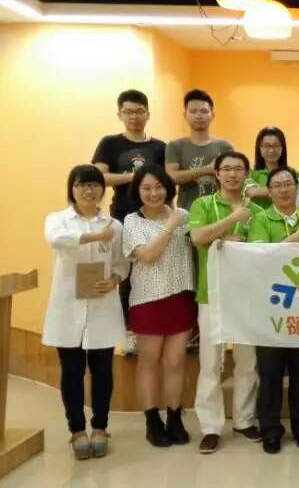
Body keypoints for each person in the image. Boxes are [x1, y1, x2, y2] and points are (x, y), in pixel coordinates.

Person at [42, 165, 127, 460]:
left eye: (94, 185)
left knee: (102, 370)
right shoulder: (58, 220)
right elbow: (56, 240)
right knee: (72, 370)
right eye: (81, 185)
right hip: (68, 306)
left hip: (102, 304)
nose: (88, 190)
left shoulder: (114, 225)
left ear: (102, 189)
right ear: (72, 189)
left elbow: (122, 262)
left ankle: (100, 427)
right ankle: (77, 430)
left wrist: (114, 280)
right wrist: (95, 237)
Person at [187, 151, 264, 454]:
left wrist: (233, 243)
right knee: (210, 362)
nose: (233, 174)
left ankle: (244, 420)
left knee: (248, 361)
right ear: (217, 174)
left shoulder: (257, 211)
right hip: (212, 295)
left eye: (238, 169)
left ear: (247, 174)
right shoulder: (203, 204)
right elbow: (198, 237)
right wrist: (232, 221)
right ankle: (210, 426)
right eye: (227, 169)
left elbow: (260, 251)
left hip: (247, 296)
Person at [122, 165, 196, 448]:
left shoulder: (184, 215)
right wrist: (169, 226)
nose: (153, 193)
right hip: (147, 300)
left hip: (181, 297)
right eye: (146, 188)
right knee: (149, 362)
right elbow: (148, 255)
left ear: (168, 188)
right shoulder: (132, 221)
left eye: (158, 187)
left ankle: (175, 417)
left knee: (176, 361)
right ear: (137, 191)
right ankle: (152, 422)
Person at [248, 167, 299, 454]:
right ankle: (270, 430)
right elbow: (259, 258)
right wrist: (296, 239)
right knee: (270, 372)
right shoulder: (260, 220)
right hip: (271, 307)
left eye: (288, 184)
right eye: (276, 185)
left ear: (296, 187)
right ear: (269, 191)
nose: (283, 189)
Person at [92, 89, 166, 354]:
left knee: (154, 272)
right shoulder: (110, 143)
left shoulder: (160, 147)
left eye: (139, 111)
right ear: (120, 114)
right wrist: (134, 178)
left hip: (154, 218)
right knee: (126, 273)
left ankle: (155, 328)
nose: (134, 116)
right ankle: (130, 332)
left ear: (148, 114)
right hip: (122, 215)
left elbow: (166, 182)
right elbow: (99, 177)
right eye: (129, 111)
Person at [166, 89, 234, 211]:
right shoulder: (175, 146)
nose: (198, 116)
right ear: (185, 115)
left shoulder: (225, 146)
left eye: (204, 111)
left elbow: (233, 178)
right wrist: (207, 169)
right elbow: (171, 178)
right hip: (188, 212)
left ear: (212, 115)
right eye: (193, 111)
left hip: (220, 211)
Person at [243, 126, 299, 208]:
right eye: (267, 146)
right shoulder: (250, 172)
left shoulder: (292, 172)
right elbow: (251, 192)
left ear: (282, 148)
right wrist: (286, 190)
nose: (271, 150)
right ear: (259, 148)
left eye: (276, 145)